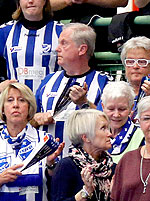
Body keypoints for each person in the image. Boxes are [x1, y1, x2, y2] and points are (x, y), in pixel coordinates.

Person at [34, 23, 109, 151]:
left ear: (82, 49)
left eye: (64, 43)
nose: (57, 49)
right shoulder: (48, 80)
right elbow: (28, 120)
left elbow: (111, 123)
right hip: (48, 162)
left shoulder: (104, 82)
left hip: (85, 165)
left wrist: (84, 104)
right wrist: (36, 119)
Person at [51, 108, 115, 201]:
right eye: (103, 128)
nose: (110, 133)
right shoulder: (67, 166)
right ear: (86, 137)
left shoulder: (113, 168)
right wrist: (86, 191)